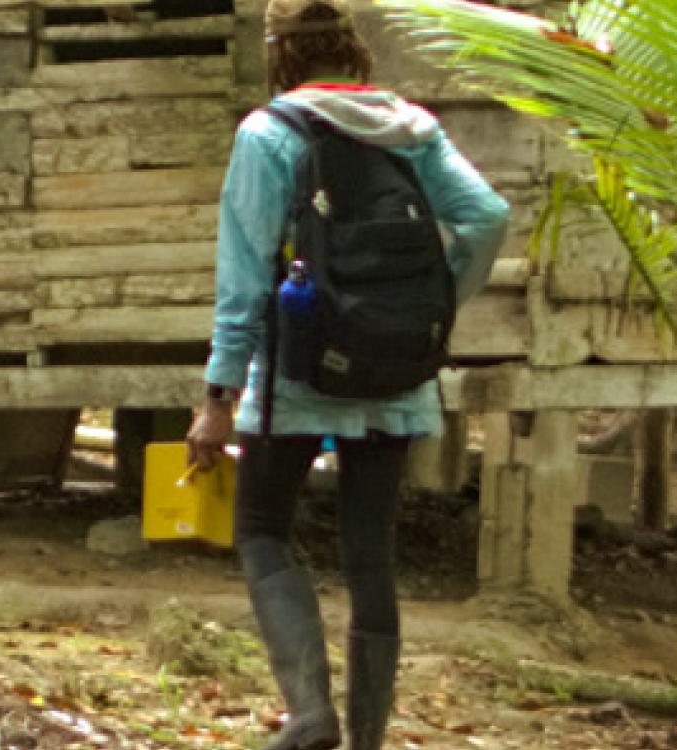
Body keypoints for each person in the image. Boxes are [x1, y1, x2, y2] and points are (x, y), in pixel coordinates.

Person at [185, 2, 511, 749]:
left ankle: (309, 717)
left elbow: (243, 279)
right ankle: (365, 740)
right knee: (371, 551)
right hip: (395, 369)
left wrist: (217, 396)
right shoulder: (414, 129)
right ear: (353, 54)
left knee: (264, 531)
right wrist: (430, 305)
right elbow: (487, 215)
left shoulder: (269, 135)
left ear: (279, 57)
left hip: (300, 363)